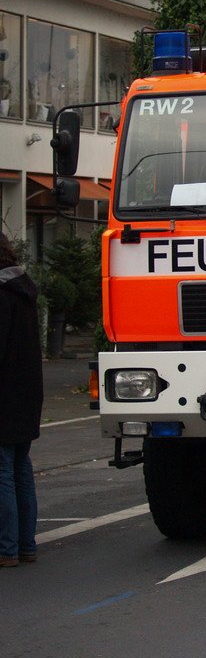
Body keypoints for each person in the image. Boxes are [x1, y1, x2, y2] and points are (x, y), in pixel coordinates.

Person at [0, 233, 43, 568]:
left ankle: (7, 549)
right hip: (26, 394)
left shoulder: (1, 295)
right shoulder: (23, 290)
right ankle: (26, 545)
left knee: (3, 473)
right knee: (20, 470)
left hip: (4, 396)